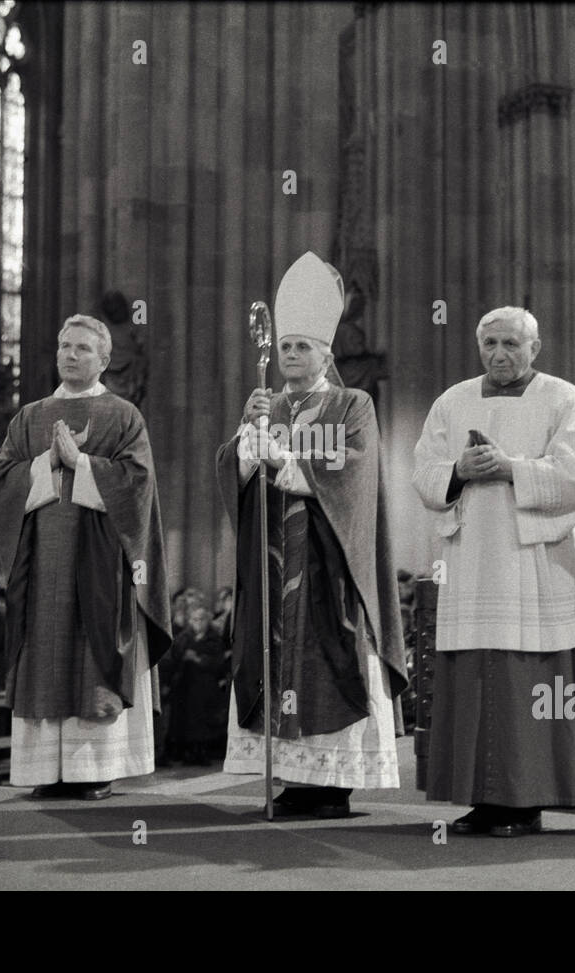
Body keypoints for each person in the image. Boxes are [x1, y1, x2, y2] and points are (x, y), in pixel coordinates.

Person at [216, 251, 408, 819]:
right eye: (284, 347)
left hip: (329, 566)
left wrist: (283, 458)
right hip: (272, 566)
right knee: (275, 660)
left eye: (303, 346)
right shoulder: (265, 404)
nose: (291, 355)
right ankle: (292, 778)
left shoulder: (353, 403)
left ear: (326, 353)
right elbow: (233, 473)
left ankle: (332, 784)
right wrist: (245, 450)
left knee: (328, 661)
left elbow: (354, 471)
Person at [413, 305, 575, 836]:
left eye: (511, 344)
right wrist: (457, 471)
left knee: (526, 683)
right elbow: (423, 472)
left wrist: (511, 468)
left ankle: (525, 802)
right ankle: (481, 800)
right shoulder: (452, 400)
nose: (499, 353)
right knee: (472, 683)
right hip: (470, 561)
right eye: (490, 343)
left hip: (531, 565)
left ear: (534, 349)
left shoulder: (563, 399)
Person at [0, 314, 172, 800]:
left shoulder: (123, 415)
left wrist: (83, 465)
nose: (70, 355)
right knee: (44, 652)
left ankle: (94, 769)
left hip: (101, 566)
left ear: (104, 359)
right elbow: (1, 480)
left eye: (83, 349)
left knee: (93, 655)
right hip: (41, 564)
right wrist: (47, 462)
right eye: (64, 346)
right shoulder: (29, 417)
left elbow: (139, 484)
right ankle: (45, 771)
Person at [164, 605, 229, 765]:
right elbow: (174, 656)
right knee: (185, 721)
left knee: (203, 721)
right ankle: (185, 752)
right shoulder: (184, 637)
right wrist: (183, 657)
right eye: (194, 619)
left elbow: (219, 661)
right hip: (185, 685)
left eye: (201, 619)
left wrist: (198, 659)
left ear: (208, 621)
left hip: (205, 686)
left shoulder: (214, 638)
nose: (198, 623)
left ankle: (202, 752)